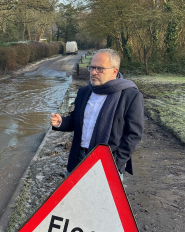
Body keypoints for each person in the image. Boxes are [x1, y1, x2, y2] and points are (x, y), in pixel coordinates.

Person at [50, 49, 143, 178]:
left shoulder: (130, 96)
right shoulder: (84, 91)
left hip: (109, 163)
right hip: (78, 159)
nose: (93, 72)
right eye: (92, 67)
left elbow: (133, 135)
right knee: (73, 198)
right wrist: (61, 122)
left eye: (100, 69)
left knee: (102, 199)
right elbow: (76, 119)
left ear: (114, 71)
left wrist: (115, 162)